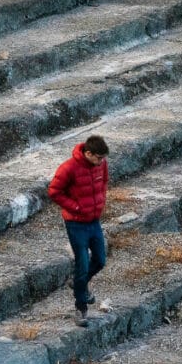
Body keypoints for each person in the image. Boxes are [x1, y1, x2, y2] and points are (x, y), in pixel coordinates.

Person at [48, 135, 109, 327]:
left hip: (94, 221)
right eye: (98, 157)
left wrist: (100, 204)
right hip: (76, 224)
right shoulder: (68, 168)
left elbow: (104, 183)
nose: (101, 161)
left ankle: (78, 284)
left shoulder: (101, 164)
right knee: (82, 264)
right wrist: (75, 207)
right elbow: (54, 191)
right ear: (88, 153)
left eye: (103, 158)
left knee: (100, 260)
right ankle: (81, 307)